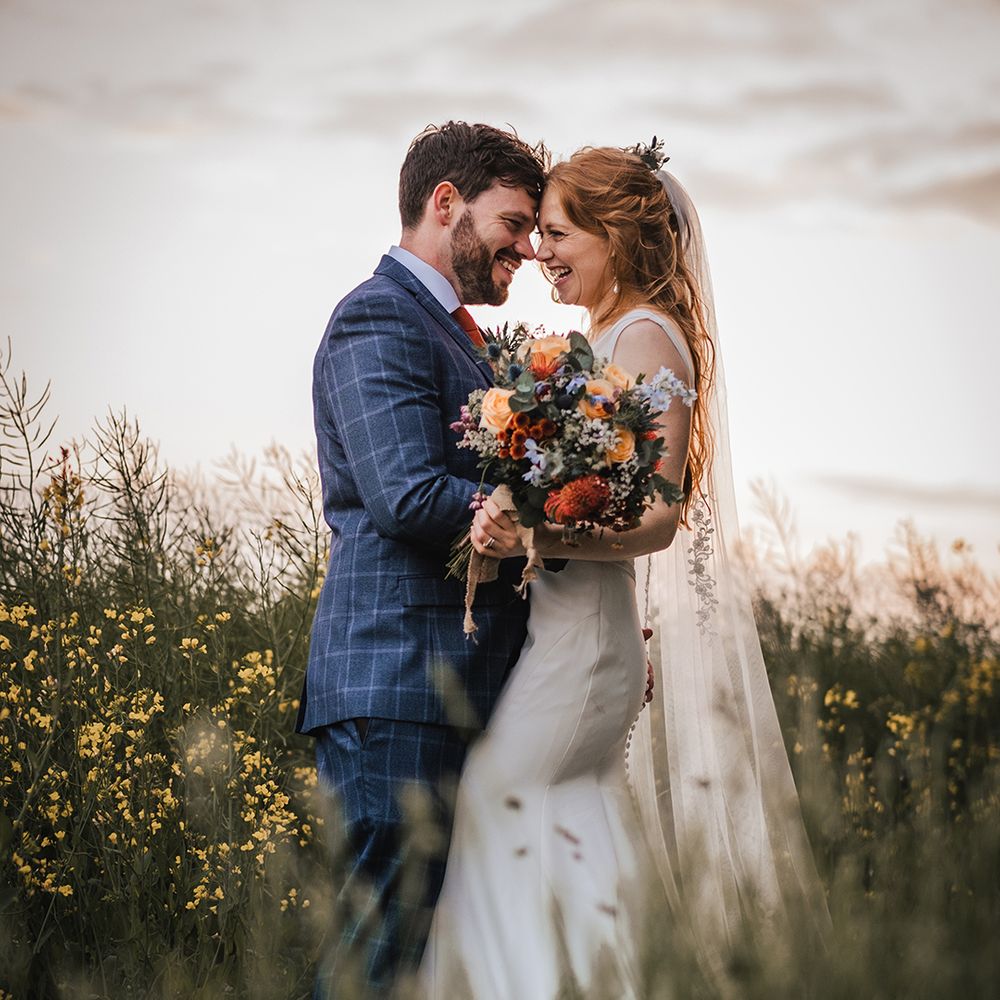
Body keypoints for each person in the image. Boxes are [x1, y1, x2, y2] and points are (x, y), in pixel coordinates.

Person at [420, 146, 829, 998]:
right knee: (567, 833)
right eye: (537, 233)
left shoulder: (645, 334)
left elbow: (659, 515)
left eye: (559, 232)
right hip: (571, 632)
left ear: (615, 235)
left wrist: (531, 530)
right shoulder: (601, 338)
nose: (539, 252)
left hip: (585, 645)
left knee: (498, 807)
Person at [297, 121, 548, 996]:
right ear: (447, 203)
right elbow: (405, 495)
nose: (527, 245)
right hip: (396, 683)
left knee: (410, 965)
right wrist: (545, 515)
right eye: (514, 221)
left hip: (444, 688)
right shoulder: (377, 316)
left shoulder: (461, 337)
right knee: (373, 960)